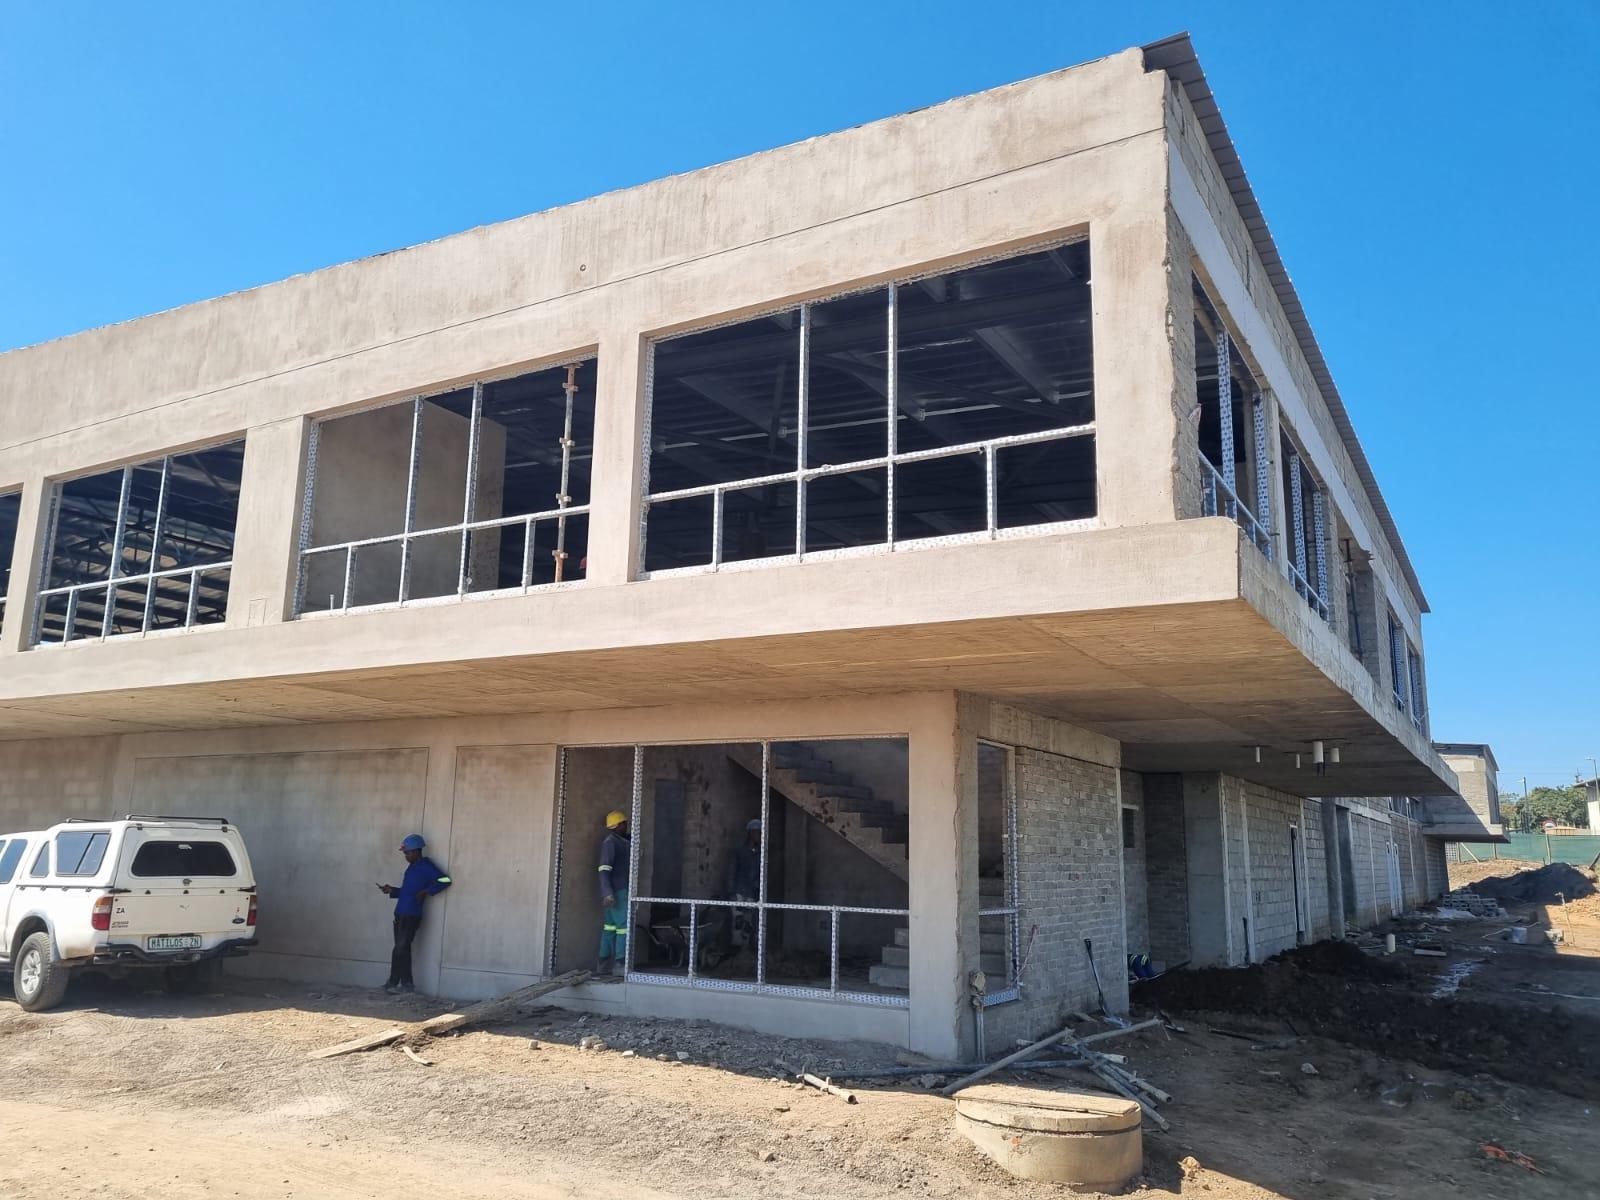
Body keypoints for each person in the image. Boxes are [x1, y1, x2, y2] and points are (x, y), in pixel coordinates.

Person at [376, 833, 452, 994]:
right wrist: (392, 890)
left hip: (411, 914)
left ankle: (397, 983)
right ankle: (403, 984)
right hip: (400, 913)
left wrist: (427, 891)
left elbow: (446, 880)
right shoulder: (411, 868)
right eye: (405, 853)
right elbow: (407, 892)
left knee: (401, 948)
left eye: (408, 853)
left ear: (417, 851)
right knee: (400, 949)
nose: (406, 856)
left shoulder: (426, 866)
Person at [596, 810, 630, 978]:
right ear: (618, 825)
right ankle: (620, 963)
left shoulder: (620, 841)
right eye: (624, 823)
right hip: (618, 891)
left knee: (609, 927)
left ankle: (603, 964)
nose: (626, 826)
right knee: (623, 927)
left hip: (614, 891)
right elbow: (604, 869)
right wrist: (608, 893)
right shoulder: (610, 843)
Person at [725, 818, 763, 951]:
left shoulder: (761, 853)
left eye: (760, 832)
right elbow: (732, 871)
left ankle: (744, 949)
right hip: (739, 891)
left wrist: (758, 886)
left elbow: (761, 873)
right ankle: (736, 948)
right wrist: (731, 892)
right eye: (756, 832)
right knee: (738, 920)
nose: (758, 835)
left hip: (751, 892)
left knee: (748, 920)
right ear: (750, 833)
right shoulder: (739, 851)